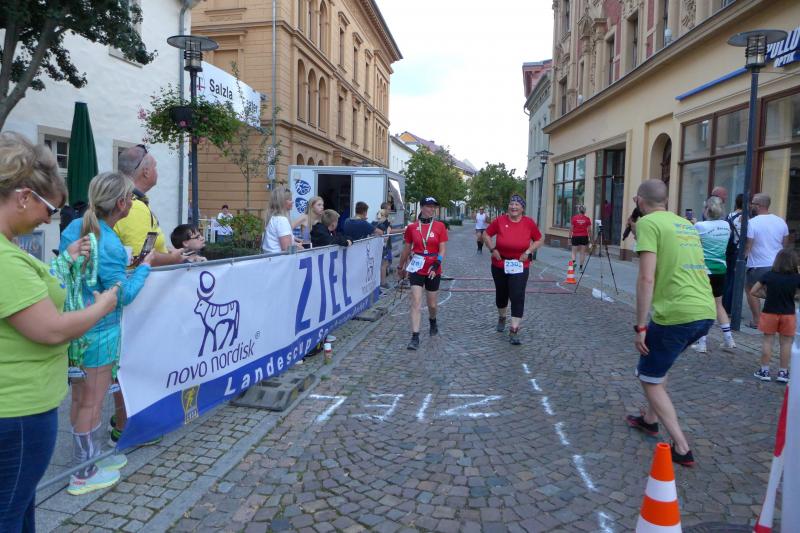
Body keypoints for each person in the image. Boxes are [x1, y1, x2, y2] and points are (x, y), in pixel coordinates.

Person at [0, 132, 119, 531]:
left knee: (18, 507)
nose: (49, 218)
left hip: (17, 408)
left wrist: (63, 261)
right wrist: (102, 305)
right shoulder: (5, 259)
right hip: (17, 411)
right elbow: (50, 330)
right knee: (10, 514)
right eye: (49, 207)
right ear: (23, 197)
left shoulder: (10, 251)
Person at [60, 172, 154, 495]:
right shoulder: (110, 242)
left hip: (76, 327)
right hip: (100, 332)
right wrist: (144, 268)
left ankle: (89, 457)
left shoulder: (75, 228)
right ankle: (83, 472)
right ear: (122, 204)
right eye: (131, 199)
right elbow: (122, 295)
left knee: (80, 399)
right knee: (92, 402)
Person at [626, 179, 715, 467]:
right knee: (660, 364)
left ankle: (681, 446)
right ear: (666, 200)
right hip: (705, 310)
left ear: (640, 201)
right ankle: (650, 419)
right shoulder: (685, 224)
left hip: (676, 313)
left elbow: (646, 278)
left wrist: (640, 326)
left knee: (648, 377)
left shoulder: (648, 224)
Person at [110, 144, 186, 446]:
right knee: (128, 362)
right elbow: (142, 258)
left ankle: (126, 418)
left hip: (138, 294)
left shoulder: (136, 203)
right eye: (154, 166)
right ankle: (125, 425)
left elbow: (149, 251)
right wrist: (175, 257)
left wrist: (170, 254)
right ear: (144, 171)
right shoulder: (134, 208)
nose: (157, 172)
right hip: (134, 298)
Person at [482, 194, 543, 345]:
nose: (513, 207)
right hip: (500, 263)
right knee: (501, 295)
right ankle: (502, 317)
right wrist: (492, 249)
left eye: (517, 204)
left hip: (520, 264)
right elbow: (486, 234)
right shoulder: (500, 220)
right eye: (511, 204)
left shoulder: (529, 223)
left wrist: (528, 252)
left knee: (517, 295)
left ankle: (514, 329)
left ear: (522, 208)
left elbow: (539, 239)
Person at [398, 197, 448, 350]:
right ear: (422, 207)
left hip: (433, 267)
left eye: (434, 207)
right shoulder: (412, 227)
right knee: (416, 301)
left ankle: (433, 320)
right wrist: (401, 266)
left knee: (432, 304)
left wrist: (437, 264)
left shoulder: (440, 226)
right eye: (429, 206)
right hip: (417, 267)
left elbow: (442, 249)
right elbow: (407, 248)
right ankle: (415, 337)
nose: (432, 209)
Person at [691, 196, 736, 353]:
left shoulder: (700, 226)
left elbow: (693, 243)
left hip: (704, 270)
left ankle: (702, 343)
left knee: (702, 305)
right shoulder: (726, 225)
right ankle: (729, 339)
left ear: (706, 210)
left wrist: (692, 224)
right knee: (718, 305)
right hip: (721, 269)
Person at [750, 249, 800, 383]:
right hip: (788, 314)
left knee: (768, 341)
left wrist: (765, 296)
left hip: (769, 312)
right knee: (786, 343)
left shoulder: (769, 275)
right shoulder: (796, 278)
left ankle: (764, 370)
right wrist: (795, 296)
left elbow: (753, 291)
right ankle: (783, 372)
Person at [744, 193, 789, 328]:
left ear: (759, 206)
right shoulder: (780, 221)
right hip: (777, 264)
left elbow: (748, 246)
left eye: (753, 203)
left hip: (758, 265)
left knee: (751, 289)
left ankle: (757, 321)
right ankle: (776, 321)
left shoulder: (752, 223)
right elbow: (784, 244)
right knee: (773, 291)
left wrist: (741, 261)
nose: (751, 205)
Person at [722, 194, 743, 314]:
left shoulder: (730, 215)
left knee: (728, 278)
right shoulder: (746, 218)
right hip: (738, 251)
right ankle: (730, 308)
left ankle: (724, 305)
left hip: (729, 249)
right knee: (735, 280)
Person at [262, 184, 295, 254]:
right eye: (290, 199)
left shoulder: (272, 218)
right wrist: (300, 247)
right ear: (282, 202)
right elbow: (287, 249)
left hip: (271, 258)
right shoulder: (281, 220)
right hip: (279, 259)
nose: (292, 202)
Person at [373, 202, 396, 288]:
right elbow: (386, 235)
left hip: (387, 245)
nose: (390, 211)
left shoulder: (386, 220)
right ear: (384, 210)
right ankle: (383, 282)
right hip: (384, 245)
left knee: (387, 263)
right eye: (388, 209)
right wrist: (402, 230)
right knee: (384, 264)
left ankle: (382, 281)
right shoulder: (382, 221)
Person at [569, 205, 592, 271]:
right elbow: (589, 230)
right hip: (584, 237)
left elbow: (571, 229)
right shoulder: (587, 219)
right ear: (585, 211)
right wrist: (590, 239)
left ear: (578, 210)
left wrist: (569, 238)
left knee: (574, 252)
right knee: (582, 252)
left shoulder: (574, 218)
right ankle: (581, 268)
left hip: (575, 236)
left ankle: (573, 265)